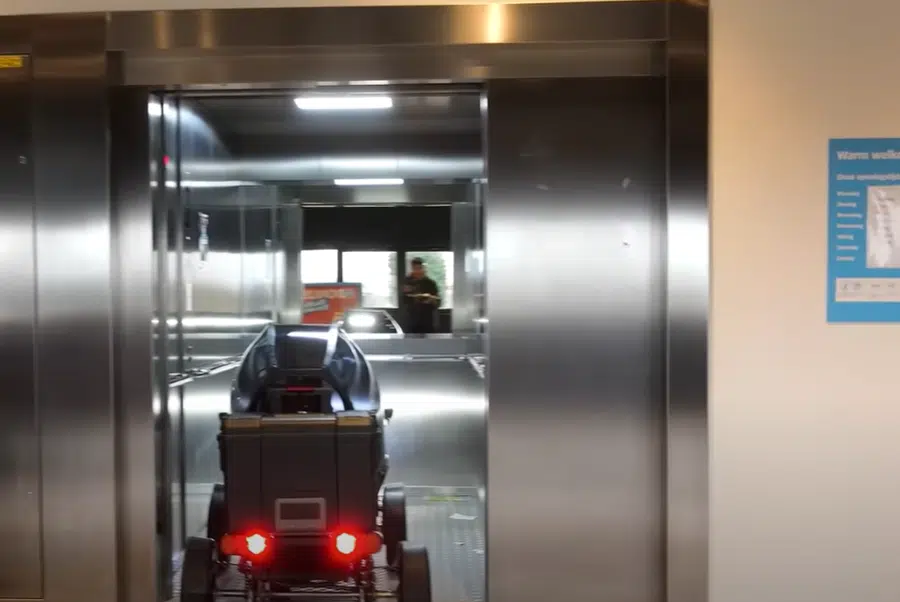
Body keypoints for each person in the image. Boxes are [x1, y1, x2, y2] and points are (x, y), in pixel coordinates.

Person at [402, 257, 440, 334]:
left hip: (427, 321)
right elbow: (404, 299)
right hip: (412, 322)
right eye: (415, 268)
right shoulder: (407, 282)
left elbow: (437, 301)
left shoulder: (430, 283)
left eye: (419, 268)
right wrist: (415, 298)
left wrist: (431, 299)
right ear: (412, 268)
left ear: (423, 268)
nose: (417, 271)